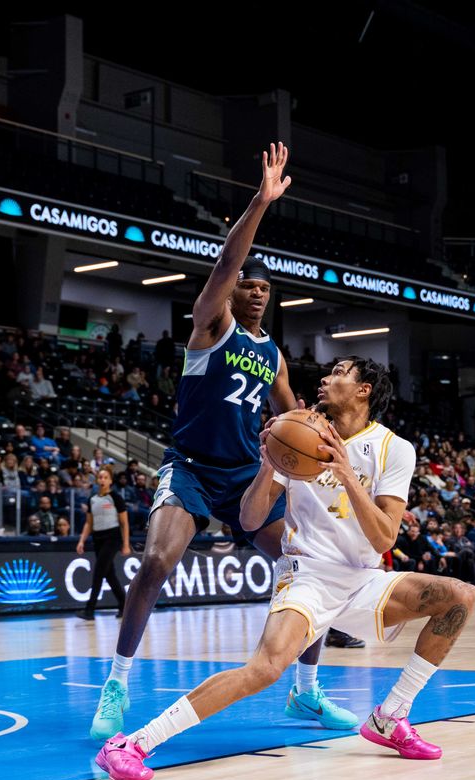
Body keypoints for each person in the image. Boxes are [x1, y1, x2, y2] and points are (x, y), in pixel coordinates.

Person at [94, 358, 474, 780]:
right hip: (307, 574)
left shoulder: (394, 448)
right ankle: (132, 744)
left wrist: (347, 473)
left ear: (364, 389)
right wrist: (268, 466)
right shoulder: (295, 432)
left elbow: (385, 538)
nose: (326, 378)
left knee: (460, 597)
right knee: (265, 668)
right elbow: (251, 519)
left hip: (364, 580)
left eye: (340, 372)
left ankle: (391, 716)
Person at [90, 142, 327, 741]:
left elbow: (291, 415)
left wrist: (319, 441)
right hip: (192, 466)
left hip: (246, 476)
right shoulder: (210, 326)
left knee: (309, 568)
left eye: (264, 290)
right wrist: (262, 201)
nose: (256, 292)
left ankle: (307, 692)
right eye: (248, 285)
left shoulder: (273, 355)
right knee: (155, 563)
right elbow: (225, 263)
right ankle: (117, 685)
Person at [75, 466, 131, 620]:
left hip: (112, 538)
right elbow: (88, 523)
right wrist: (82, 541)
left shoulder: (116, 498)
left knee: (99, 572)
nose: (102, 480)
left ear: (111, 481)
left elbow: (124, 523)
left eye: (105, 477)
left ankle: (89, 610)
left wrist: (126, 544)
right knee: (110, 575)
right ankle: (125, 605)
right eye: (100, 477)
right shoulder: (92, 499)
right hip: (98, 539)